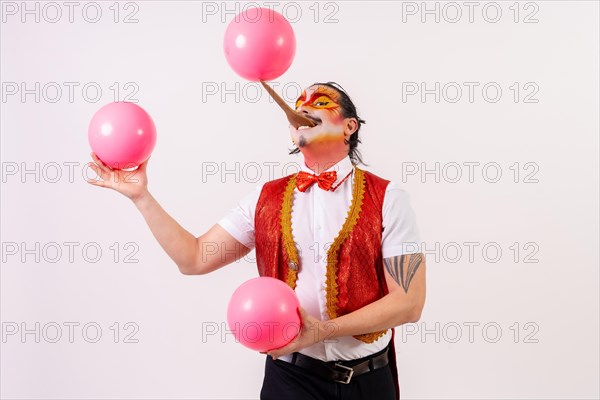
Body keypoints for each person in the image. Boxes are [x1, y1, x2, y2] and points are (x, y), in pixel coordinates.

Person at [86, 81, 426, 400]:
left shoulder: (389, 198)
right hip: (291, 381)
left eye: (319, 103)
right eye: (298, 107)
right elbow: (193, 259)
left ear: (350, 126)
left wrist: (323, 330)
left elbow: (409, 304)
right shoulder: (264, 200)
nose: (303, 109)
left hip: (368, 383)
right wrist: (141, 196)